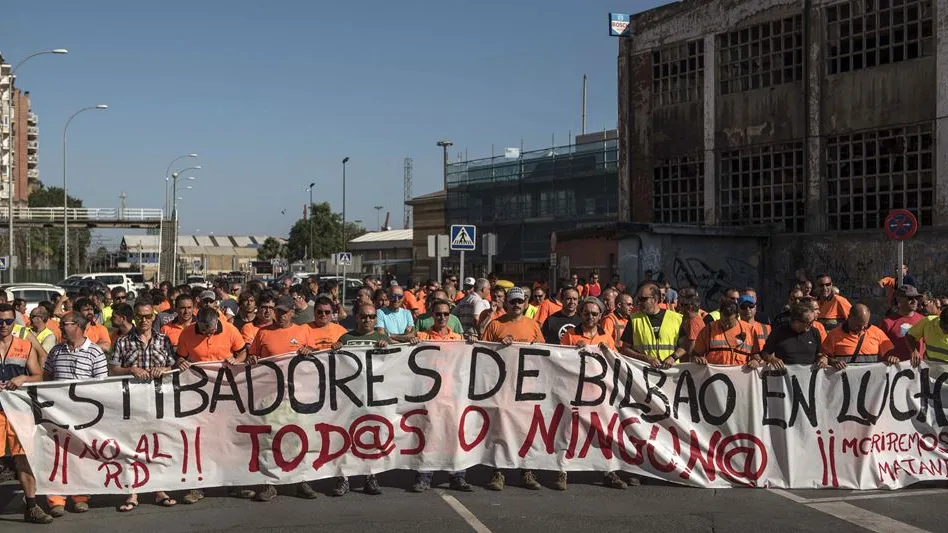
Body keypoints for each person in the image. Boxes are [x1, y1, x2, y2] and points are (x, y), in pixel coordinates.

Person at [175, 307, 251, 500]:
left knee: (230, 439)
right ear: (197, 322)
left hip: (226, 393)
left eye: (210, 328)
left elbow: (242, 352)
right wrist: (180, 362)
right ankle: (198, 487)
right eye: (203, 329)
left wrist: (236, 359)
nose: (207, 332)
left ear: (217, 321)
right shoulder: (187, 333)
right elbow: (180, 357)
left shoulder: (230, 330)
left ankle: (235, 484)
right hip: (199, 396)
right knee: (201, 441)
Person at [109, 299, 177, 511]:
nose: (144, 320)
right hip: (132, 402)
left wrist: (164, 369)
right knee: (132, 446)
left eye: (148, 316)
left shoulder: (164, 341)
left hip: (159, 401)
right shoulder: (122, 342)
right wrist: (131, 370)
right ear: (134, 318)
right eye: (140, 316)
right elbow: (112, 370)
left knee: (158, 444)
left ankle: (159, 490)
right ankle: (132, 493)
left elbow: (174, 366)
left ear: (154, 317)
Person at [44, 311, 108, 517]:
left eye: (65, 324)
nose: (61, 327)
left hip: (84, 416)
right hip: (57, 415)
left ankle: (80, 497)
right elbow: (46, 379)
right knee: (56, 457)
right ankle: (56, 499)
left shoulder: (96, 352)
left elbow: (103, 388)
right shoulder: (55, 351)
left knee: (81, 456)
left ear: (79, 326)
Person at [480, 287, 545, 492]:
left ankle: (526, 471)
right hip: (502, 387)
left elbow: (544, 354)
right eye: (513, 302)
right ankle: (498, 472)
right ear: (506, 303)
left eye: (520, 302)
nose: (516, 305)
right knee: (500, 428)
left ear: (525, 304)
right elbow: (482, 354)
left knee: (526, 430)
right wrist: (499, 345)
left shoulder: (533, 325)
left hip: (527, 388)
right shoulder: (495, 325)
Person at [329, 303, 391, 496]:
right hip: (348, 399)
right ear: (357, 318)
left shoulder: (381, 338)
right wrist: (336, 348)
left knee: (371, 439)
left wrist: (387, 347)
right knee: (344, 439)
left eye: (372, 317)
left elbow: (394, 367)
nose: (367, 320)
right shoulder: (346, 338)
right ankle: (343, 479)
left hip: (373, 398)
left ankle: (370, 477)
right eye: (364, 316)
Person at [0, 303, 54, 523]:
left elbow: (39, 376)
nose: (3, 325)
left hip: (17, 410)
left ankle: (31, 506)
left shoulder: (24, 345)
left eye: (8, 321)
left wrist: (23, 378)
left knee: (23, 458)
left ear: (15, 322)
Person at [618, 282, 689, 369]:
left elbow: (684, 346)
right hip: (644, 373)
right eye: (638, 299)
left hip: (670, 373)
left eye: (643, 299)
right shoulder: (634, 320)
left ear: (655, 299)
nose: (639, 302)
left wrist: (673, 357)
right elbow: (625, 350)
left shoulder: (675, 318)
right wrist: (645, 358)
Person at [821, 304, 895, 369]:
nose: (862, 328)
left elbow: (889, 353)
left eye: (865, 325)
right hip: (843, 382)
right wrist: (833, 362)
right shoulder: (834, 335)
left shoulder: (877, 332)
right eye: (858, 325)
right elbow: (824, 357)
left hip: (871, 382)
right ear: (849, 317)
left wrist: (892, 358)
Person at [691, 300, 759, 368]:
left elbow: (757, 354)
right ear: (720, 314)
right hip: (715, 376)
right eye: (723, 321)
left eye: (729, 323)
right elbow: (695, 354)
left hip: (740, 376)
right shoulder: (709, 329)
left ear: (737, 316)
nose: (726, 325)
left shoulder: (750, 330)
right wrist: (698, 358)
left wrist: (755, 361)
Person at [758, 302, 825, 369]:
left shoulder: (815, 332)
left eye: (813, 321)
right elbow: (765, 353)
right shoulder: (779, 331)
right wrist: (772, 359)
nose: (812, 324)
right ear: (796, 322)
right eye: (809, 322)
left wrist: (823, 359)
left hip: (809, 377)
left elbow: (819, 354)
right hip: (785, 377)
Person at [879, 285, 925, 362]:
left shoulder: (923, 320)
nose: (914, 301)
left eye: (916, 298)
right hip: (896, 371)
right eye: (910, 298)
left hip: (918, 371)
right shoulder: (888, 323)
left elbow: (927, 344)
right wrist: (889, 357)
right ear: (899, 300)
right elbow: (880, 349)